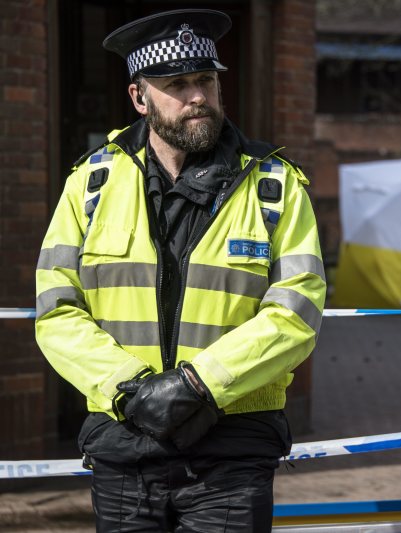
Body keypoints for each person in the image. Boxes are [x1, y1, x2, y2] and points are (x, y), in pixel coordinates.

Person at [35, 9, 326, 532]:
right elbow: (56, 310)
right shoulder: (90, 185)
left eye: (206, 81)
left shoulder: (276, 186)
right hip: (124, 446)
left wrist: (197, 384)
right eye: (177, 85)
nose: (198, 96)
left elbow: (297, 312)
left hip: (233, 450)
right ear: (139, 97)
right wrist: (131, 389)